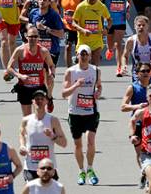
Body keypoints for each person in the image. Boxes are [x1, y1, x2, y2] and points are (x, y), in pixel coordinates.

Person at [62, 44, 102, 186]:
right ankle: (81, 171)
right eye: (81, 54)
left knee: (90, 141)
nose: (84, 57)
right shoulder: (70, 72)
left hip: (91, 111)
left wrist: (98, 92)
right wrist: (76, 85)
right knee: (78, 145)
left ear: (90, 56)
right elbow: (63, 93)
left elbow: (99, 86)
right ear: (77, 55)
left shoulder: (95, 71)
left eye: (86, 54)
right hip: (75, 113)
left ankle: (90, 169)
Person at [7, 26, 56, 116]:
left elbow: (52, 65)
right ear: (26, 36)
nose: (33, 39)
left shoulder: (43, 51)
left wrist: (51, 75)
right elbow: (9, 67)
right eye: (31, 37)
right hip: (24, 87)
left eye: (35, 37)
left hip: (39, 87)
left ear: (38, 37)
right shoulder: (20, 50)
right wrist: (19, 76)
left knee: (39, 115)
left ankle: (49, 98)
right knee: (27, 117)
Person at [19, 89, 67, 181]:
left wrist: (52, 136)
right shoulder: (26, 120)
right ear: (32, 101)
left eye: (42, 99)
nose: (39, 101)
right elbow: (21, 134)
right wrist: (22, 146)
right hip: (31, 167)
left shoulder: (53, 120)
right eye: (37, 99)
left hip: (48, 167)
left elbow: (64, 143)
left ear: (46, 101)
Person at [99, 0, 133, 75]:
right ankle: (109, 50)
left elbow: (129, 2)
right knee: (110, 44)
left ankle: (119, 67)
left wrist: (127, 11)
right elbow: (98, 3)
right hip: (109, 20)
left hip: (121, 20)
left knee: (118, 44)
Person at [122, 15, 151, 83]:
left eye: (143, 25)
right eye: (139, 25)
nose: (141, 27)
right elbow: (125, 56)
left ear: (147, 26)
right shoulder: (131, 41)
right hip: (138, 73)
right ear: (135, 27)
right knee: (139, 92)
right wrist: (124, 65)